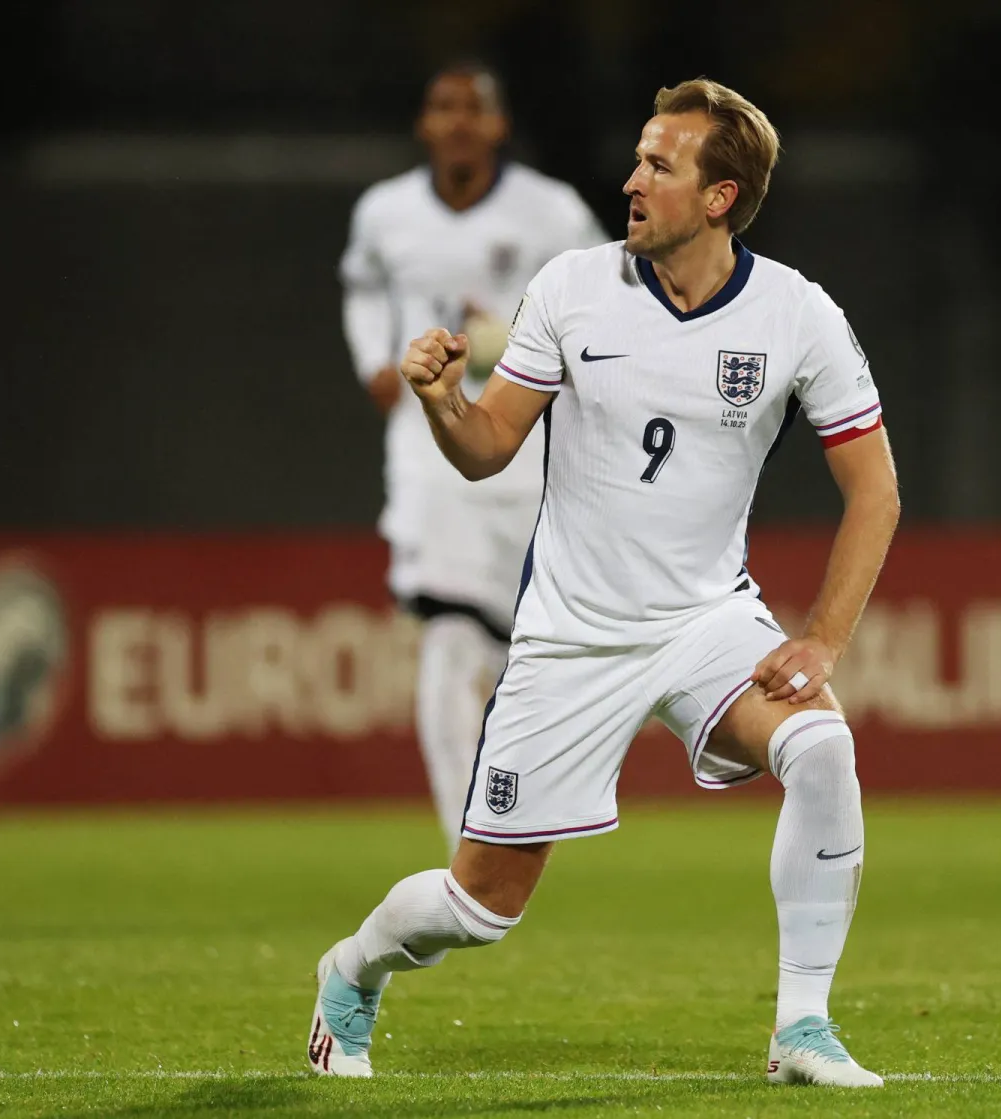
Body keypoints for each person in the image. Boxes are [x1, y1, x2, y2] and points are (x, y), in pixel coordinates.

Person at [312, 77, 900, 1087]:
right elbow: (490, 448)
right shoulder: (570, 288)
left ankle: (801, 1028)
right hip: (571, 639)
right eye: (637, 157)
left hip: (708, 623)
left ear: (719, 197)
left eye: (658, 165)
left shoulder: (798, 313)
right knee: (480, 909)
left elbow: (876, 491)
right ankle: (350, 970)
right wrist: (446, 401)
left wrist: (824, 640)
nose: (631, 180)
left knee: (822, 746)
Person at [340, 63, 606, 848]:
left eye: (474, 109)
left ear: (497, 125)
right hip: (426, 448)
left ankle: (526, 806)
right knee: (449, 629)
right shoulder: (384, 211)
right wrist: (373, 360)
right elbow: (361, 286)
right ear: (425, 123)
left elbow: (608, 290)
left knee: (523, 645)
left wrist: (514, 337)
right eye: (444, 107)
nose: (458, 121)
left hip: (521, 447)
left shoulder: (551, 211)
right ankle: (468, 841)